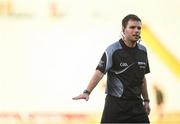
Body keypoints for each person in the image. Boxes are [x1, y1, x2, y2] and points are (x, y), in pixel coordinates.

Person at [72, 14, 151, 123]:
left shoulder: (143, 51)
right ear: (123, 29)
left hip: (137, 106)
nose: (136, 30)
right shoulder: (113, 50)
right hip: (115, 106)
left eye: (139, 28)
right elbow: (99, 72)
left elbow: (142, 78)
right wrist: (87, 92)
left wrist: (146, 100)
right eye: (132, 27)